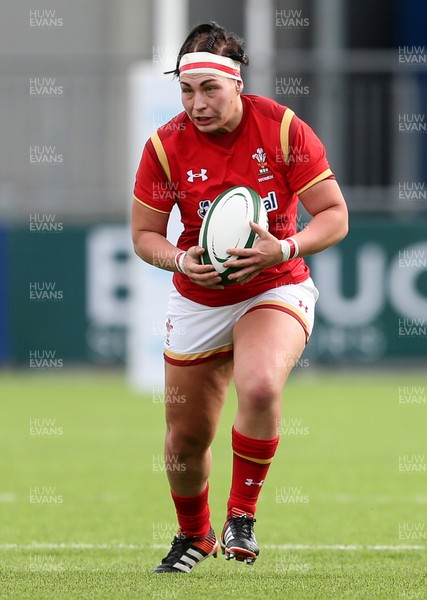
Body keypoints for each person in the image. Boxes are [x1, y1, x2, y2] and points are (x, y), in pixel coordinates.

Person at [132, 21, 348, 574]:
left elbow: (335, 215)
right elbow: (143, 237)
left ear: (236, 84)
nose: (196, 103)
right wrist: (180, 260)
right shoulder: (164, 146)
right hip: (198, 298)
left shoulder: (281, 129)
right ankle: (193, 536)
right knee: (185, 438)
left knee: (258, 384)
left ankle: (242, 516)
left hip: (276, 284)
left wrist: (286, 248)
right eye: (186, 90)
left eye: (209, 90)